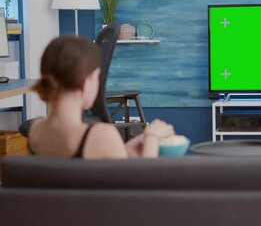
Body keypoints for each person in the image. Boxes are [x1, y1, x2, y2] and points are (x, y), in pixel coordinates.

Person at [28, 35, 175, 159]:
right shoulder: (101, 136)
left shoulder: (35, 131)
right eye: (96, 77)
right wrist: (152, 137)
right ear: (84, 83)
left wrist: (125, 150)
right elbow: (142, 185)